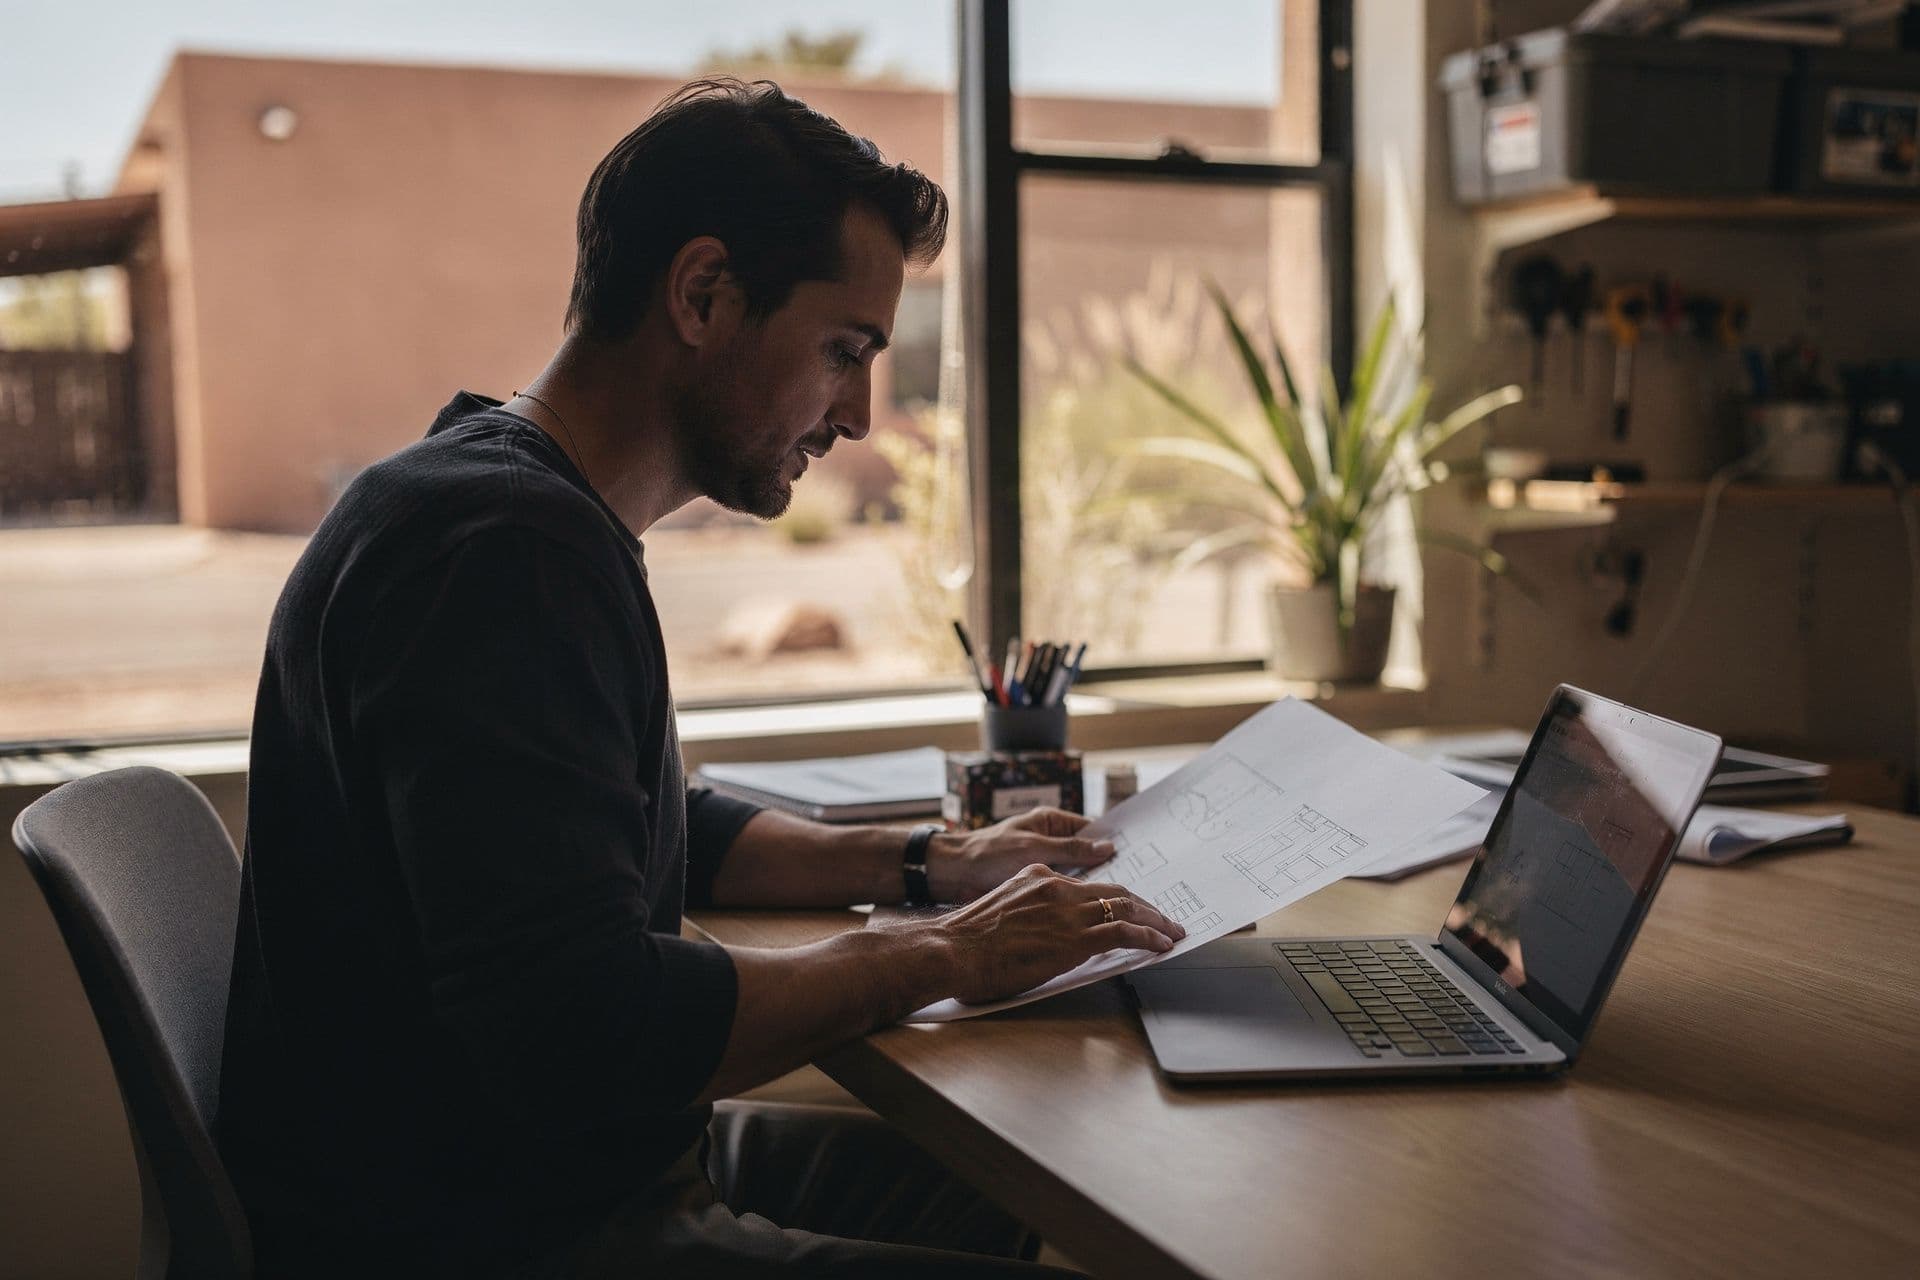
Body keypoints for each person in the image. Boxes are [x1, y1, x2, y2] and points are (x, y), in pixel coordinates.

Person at [219, 77, 1185, 1278]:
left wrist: (934, 860)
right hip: (496, 1230)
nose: (859, 415)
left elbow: (642, 825)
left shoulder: (491, 494)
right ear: (703, 295)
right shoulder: (503, 556)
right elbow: (589, 1027)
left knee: (985, 1182)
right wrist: (944, 951)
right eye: (844, 351)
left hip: (536, 1170)